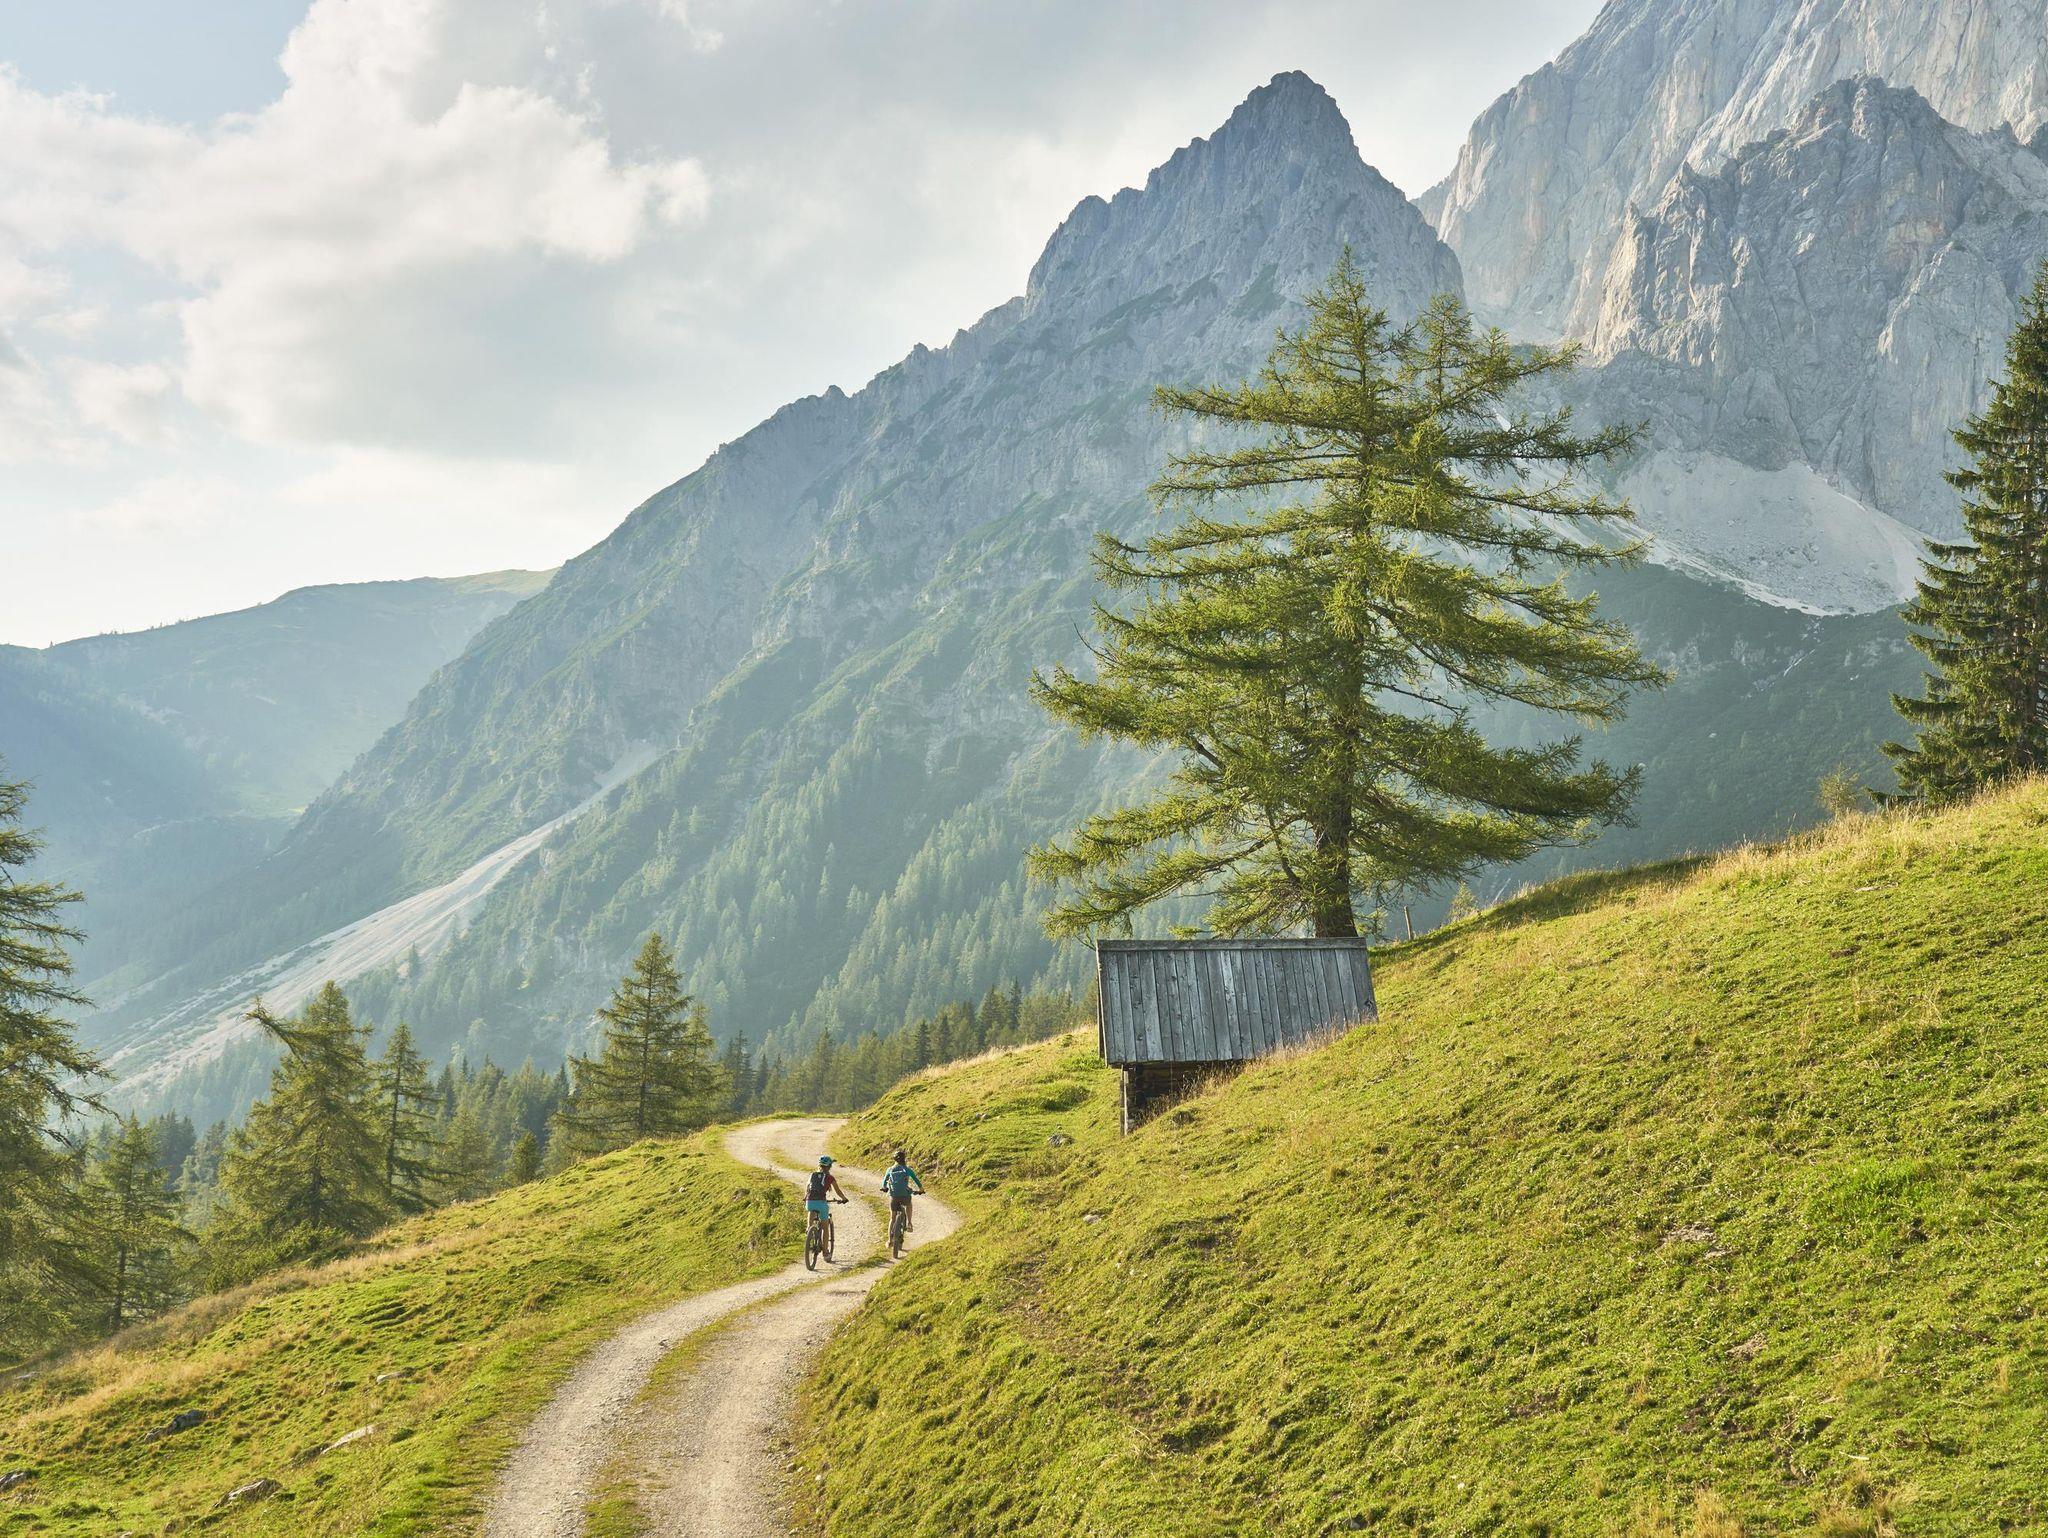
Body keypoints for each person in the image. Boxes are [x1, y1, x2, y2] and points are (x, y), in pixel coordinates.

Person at [806, 1155, 848, 1246]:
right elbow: (838, 1191)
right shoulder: (830, 1177)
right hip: (821, 1203)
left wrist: (806, 1198)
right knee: (825, 1228)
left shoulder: (812, 1175)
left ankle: (809, 1227)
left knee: (811, 1209)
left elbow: (808, 1188)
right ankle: (825, 1251)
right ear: (829, 1167)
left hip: (809, 1201)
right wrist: (844, 1199)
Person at [880, 1149, 924, 1233]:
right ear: (904, 1159)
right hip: (905, 1195)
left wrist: (884, 1187)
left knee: (892, 1218)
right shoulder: (907, 1169)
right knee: (909, 1204)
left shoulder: (890, 1169)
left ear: (894, 1159)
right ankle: (909, 1223)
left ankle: (890, 1239)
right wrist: (921, 1190)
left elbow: (884, 1181)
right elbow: (916, 1180)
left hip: (894, 1196)